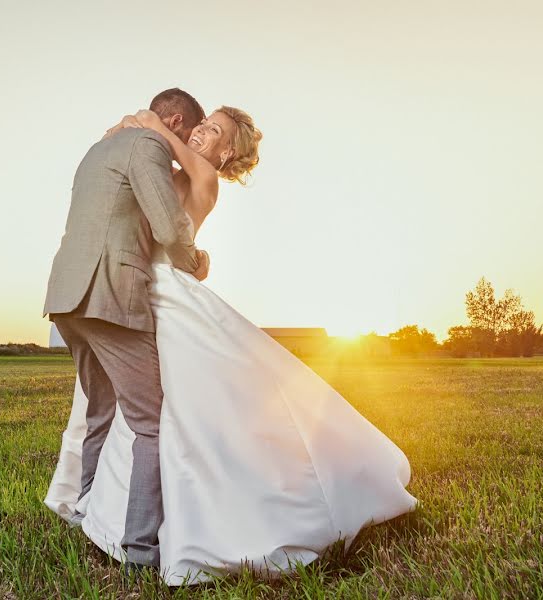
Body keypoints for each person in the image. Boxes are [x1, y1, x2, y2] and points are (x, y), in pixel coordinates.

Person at [45, 92, 418, 585]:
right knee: (138, 412)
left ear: (225, 154)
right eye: (203, 126)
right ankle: (108, 516)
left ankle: (167, 530)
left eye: (214, 131)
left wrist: (147, 122)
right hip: (136, 292)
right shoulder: (170, 166)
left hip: (159, 292)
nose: (201, 133)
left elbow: (169, 219)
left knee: (171, 414)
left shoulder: (204, 177)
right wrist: (142, 130)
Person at [42, 87, 210, 574]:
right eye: (188, 131)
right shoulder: (147, 146)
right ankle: (139, 549)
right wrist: (196, 264)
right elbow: (168, 226)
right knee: (151, 422)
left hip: (67, 296)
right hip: (111, 294)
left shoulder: (98, 148)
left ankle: (87, 514)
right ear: (175, 121)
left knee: (100, 412)